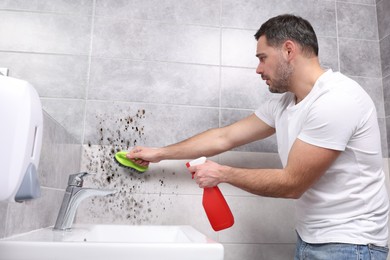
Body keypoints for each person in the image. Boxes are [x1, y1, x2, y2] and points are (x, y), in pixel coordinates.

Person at [126, 14, 389, 259]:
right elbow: (223, 137)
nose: (258, 69)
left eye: (262, 57)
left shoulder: (336, 100)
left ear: (288, 50)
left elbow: (292, 184)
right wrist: (158, 154)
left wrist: (223, 173)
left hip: (352, 244)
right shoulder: (284, 104)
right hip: (312, 238)